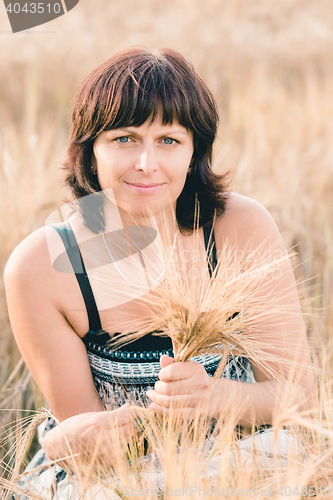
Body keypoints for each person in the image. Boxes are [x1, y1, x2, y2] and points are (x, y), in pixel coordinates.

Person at [4, 47, 314, 497]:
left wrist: (215, 398)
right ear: (90, 151)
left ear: (194, 154)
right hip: (119, 478)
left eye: (169, 140)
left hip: (246, 458)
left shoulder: (238, 229)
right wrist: (62, 442)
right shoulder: (42, 268)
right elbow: (93, 446)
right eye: (124, 139)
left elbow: (299, 396)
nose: (146, 163)